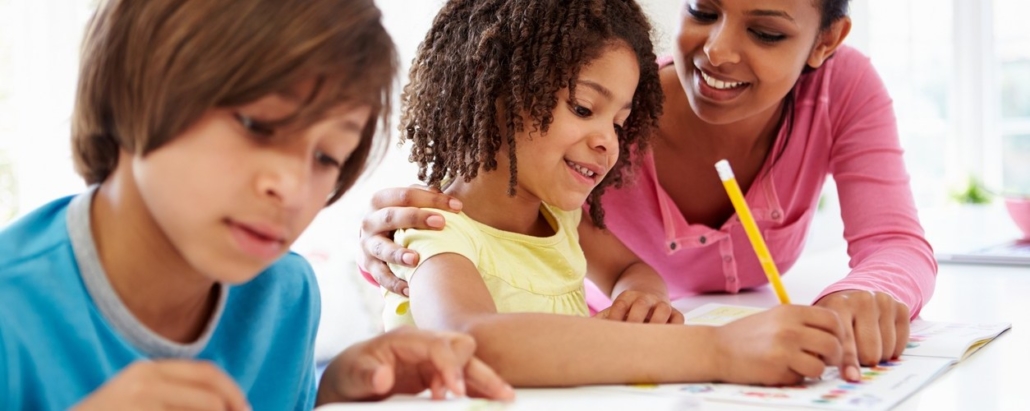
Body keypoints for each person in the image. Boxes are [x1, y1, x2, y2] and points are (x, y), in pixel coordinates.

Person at [359, 0, 936, 382]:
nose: (609, 143)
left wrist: (641, 296)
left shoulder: (561, 221)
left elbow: (630, 271)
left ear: (825, 40)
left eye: (621, 122)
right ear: (495, 92)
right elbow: (466, 338)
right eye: (585, 108)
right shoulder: (440, 230)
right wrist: (718, 352)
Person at [0, 0, 514, 409]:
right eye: (257, 126)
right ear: (136, 84)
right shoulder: (13, 310)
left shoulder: (286, 296)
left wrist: (330, 397)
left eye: (326, 156)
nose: (291, 188)